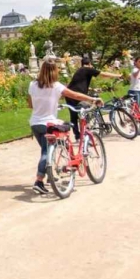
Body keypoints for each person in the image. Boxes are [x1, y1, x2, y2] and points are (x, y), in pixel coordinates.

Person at [28, 58, 99, 195]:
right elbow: (75, 95)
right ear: (55, 71)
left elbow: (31, 104)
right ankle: (39, 180)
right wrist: (92, 99)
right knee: (46, 151)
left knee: (46, 150)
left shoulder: (32, 84)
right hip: (49, 123)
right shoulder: (56, 86)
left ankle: (49, 175)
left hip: (35, 123)